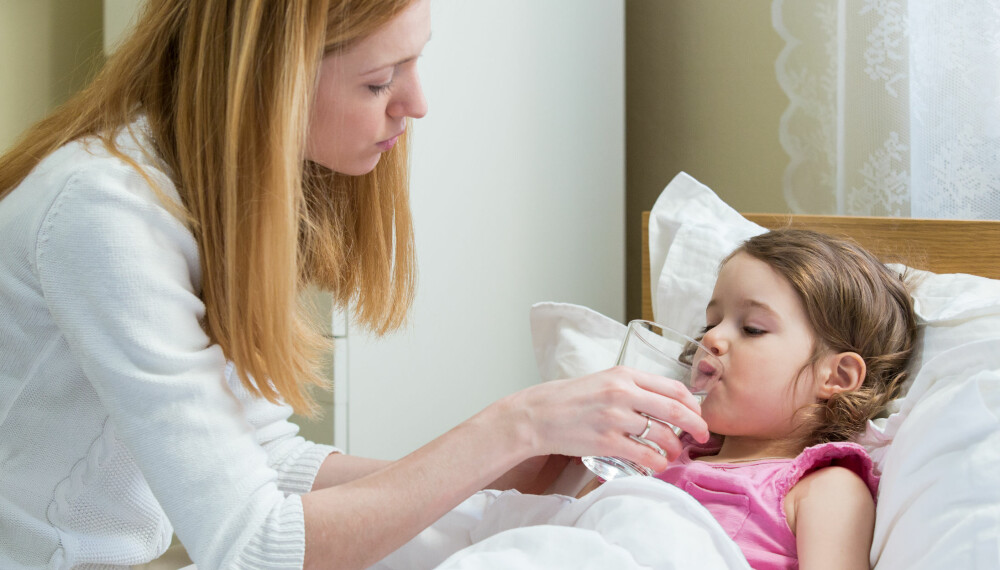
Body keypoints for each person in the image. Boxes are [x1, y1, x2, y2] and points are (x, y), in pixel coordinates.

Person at [0, 1, 710, 568]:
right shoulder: (107, 213)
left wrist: (505, 467)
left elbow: (262, 457)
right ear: (268, 80)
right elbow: (256, 548)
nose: (417, 102)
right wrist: (507, 429)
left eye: (415, 61)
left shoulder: (213, 193)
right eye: (379, 80)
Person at [579, 229, 917, 569]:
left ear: (836, 377)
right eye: (708, 325)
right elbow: (566, 534)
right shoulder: (655, 457)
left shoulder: (824, 491)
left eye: (752, 328)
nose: (712, 337)